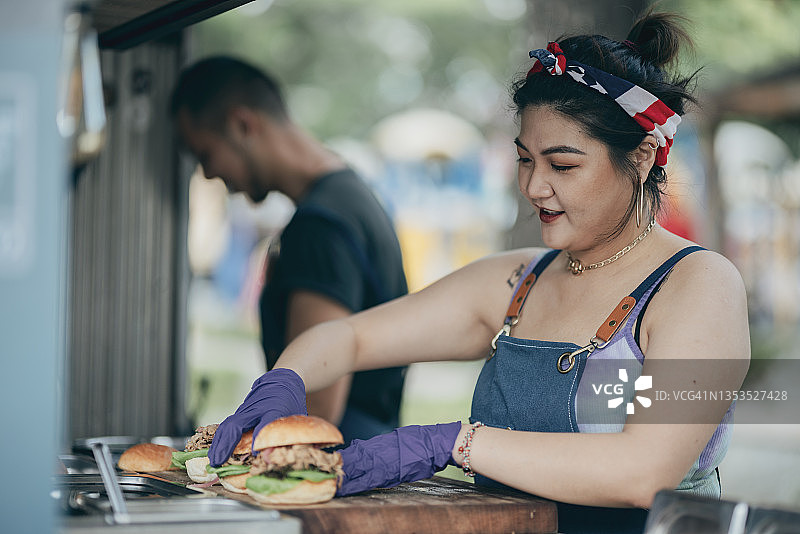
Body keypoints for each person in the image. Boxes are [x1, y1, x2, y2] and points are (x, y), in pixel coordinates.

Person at [206, 12, 750, 533]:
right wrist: (285, 381)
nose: (535, 187)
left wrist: (453, 443)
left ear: (645, 155)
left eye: (562, 165)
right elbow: (346, 337)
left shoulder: (699, 285)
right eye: (524, 160)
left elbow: (641, 472)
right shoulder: (517, 282)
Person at [170, 57, 408, 444]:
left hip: (332, 464)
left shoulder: (319, 226)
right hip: (368, 445)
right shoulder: (353, 195)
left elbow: (314, 408)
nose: (210, 174)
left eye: (206, 155)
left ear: (242, 124)